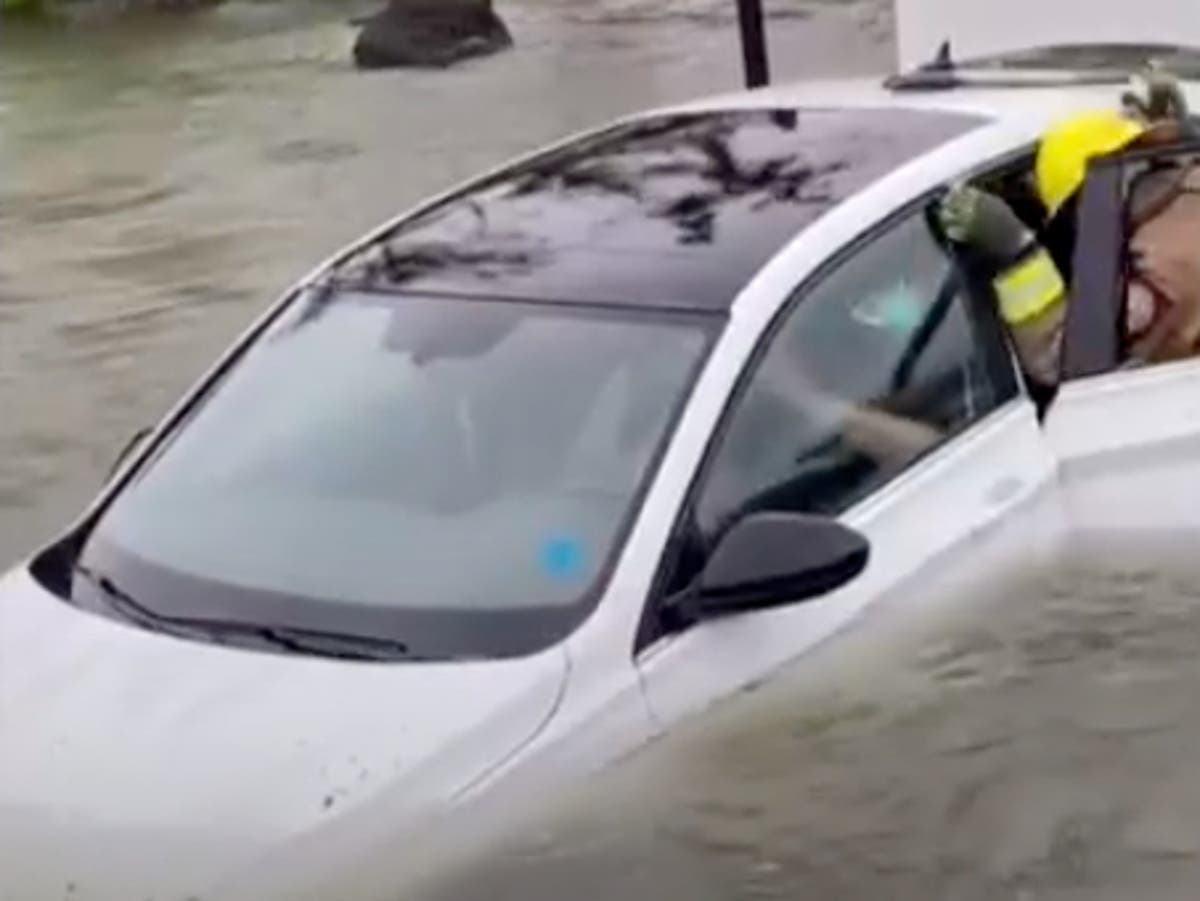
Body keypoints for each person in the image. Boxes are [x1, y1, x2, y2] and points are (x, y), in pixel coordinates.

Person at [937, 66, 1200, 387]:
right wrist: (1182, 134)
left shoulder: (1144, 280)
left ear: (1080, 208)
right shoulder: (1188, 193)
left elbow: (1058, 364)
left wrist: (1017, 251)